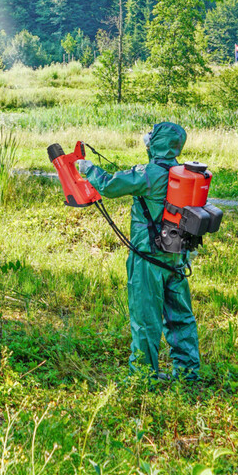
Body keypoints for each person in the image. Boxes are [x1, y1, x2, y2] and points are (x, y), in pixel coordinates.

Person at [78, 121, 200, 384]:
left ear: (156, 142)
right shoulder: (183, 173)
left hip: (148, 260)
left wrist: (89, 170)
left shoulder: (148, 174)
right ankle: (189, 373)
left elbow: (110, 186)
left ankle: (144, 378)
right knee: (180, 317)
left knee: (146, 319)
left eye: (151, 136)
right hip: (177, 258)